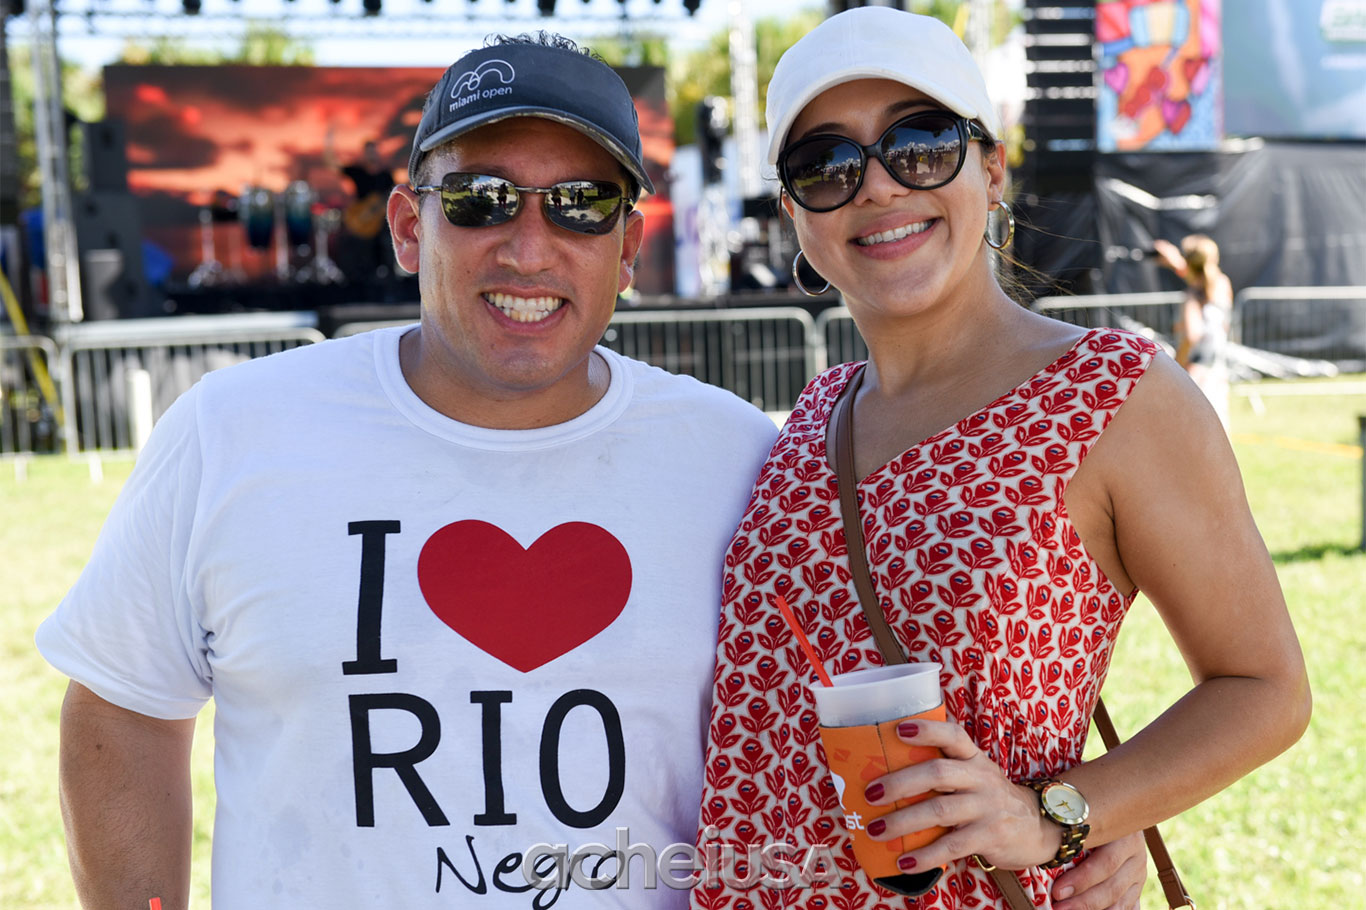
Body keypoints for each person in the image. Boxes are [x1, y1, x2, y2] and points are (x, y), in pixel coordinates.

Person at [36, 35, 781, 908]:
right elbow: (122, 710)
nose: (529, 249)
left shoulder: (736, 459)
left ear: (628, 248)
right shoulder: (234, 430)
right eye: (480, 199)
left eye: (581, 204)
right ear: (406, 228)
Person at [696, 9, 1309, 910]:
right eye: (825, 164)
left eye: (921, 144)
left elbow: (1264, 689)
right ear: (793, 212)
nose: (877, 186)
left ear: (990, 167)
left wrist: (1062, 813)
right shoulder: (809, 420)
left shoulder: (1114, 396)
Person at [1154, 234, 1233, 426]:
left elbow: (1192, 335)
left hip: (1196, 370)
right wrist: (1177, 263)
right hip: (1217, 368)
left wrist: (1177, 365)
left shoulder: (1192, 296)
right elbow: (1202, 277)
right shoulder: (1222, 284)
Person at [327, 136, 398, 282]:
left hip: (380, 224)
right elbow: (332, 164)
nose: (371, 155)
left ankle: (389, 277)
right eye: (369, 152)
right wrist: (328, 142)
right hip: (360, 222)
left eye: (374, 152)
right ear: (364, 154)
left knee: (387, 240)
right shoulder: (357, 172)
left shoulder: (386, 176)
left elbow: (392, 197)